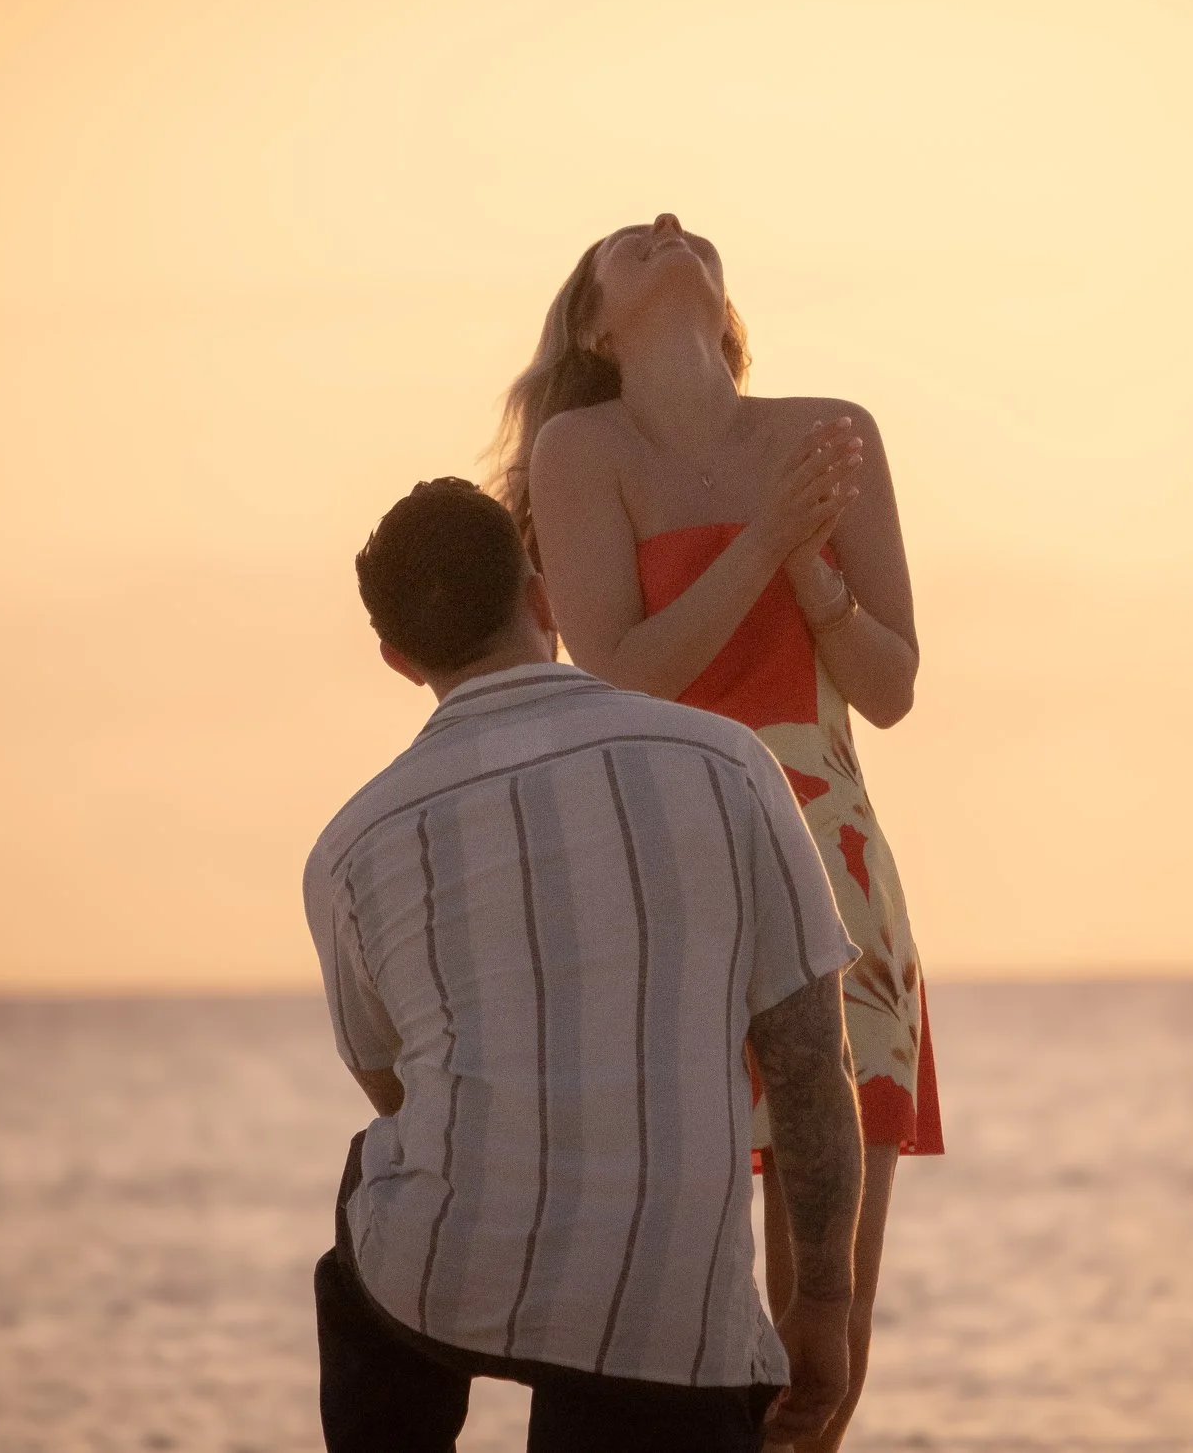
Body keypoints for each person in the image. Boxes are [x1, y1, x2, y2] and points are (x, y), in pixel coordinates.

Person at [491, 214, 941, 1452]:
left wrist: (811, 572)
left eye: (681, 225)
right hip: (668, 864)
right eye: (626, 242)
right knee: (678, 1299)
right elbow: (623, 673)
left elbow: (892, 686)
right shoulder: (583, 450)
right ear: (595, 326)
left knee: (829, 1314)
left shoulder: (832, 431)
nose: (666, 224)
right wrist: (769, 539)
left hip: (835, 857)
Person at [303, 477, 867, 1453]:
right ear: (543, 596)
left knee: (375, 1199)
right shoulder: (728, 764)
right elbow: (812, 1066)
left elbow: (394, 1089)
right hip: (674, 1322)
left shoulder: (349, 847)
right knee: (626, 1352)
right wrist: (823, 1302)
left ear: (399, 658)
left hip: (444, 1275)